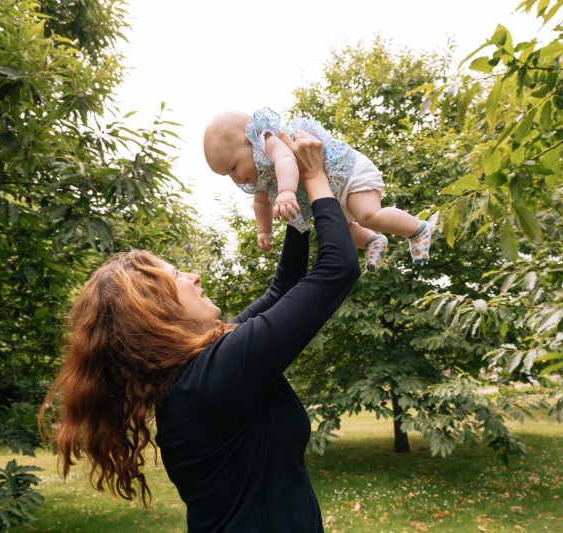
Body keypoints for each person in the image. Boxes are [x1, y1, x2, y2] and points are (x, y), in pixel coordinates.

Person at [39, 130, 360, 532]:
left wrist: (293, 201)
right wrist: (313, 177)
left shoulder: (200, 369)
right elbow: (337, 269)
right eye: (177, 276)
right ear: (157, 312)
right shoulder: (214, 376)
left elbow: (283, 289)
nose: (193, 276)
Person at [203, 107, 437, 272]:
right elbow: (261, 202)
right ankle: (372, 242)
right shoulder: (257, 177)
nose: (235, 178)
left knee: (367, 215)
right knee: (337, 229)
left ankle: (417, 229)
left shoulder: (266, 140)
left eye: (233, 167)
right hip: (327, 191)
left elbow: (285, 158)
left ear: (248, 140)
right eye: (227, 175)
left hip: (347, 174)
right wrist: (264, 231)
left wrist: (286, 192)